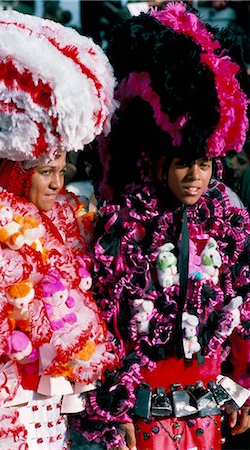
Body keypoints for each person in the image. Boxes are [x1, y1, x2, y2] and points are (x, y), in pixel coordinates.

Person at [72, 3, 250, 450]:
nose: (195, 177)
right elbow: (108, 319)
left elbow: (242, 303)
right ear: (157, 161)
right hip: (143, 404)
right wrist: (114, 406)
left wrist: (244, 383)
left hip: (208, 400)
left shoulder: (228, 218)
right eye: (184, 164)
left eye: (205, 164)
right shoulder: (126, 224)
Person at [0, 9, 118, 449]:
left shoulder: (67, 222)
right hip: (6, 405)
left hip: (54, 411)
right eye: (47, 172)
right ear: (19, 175)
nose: (59, 184)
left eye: (63, 170)